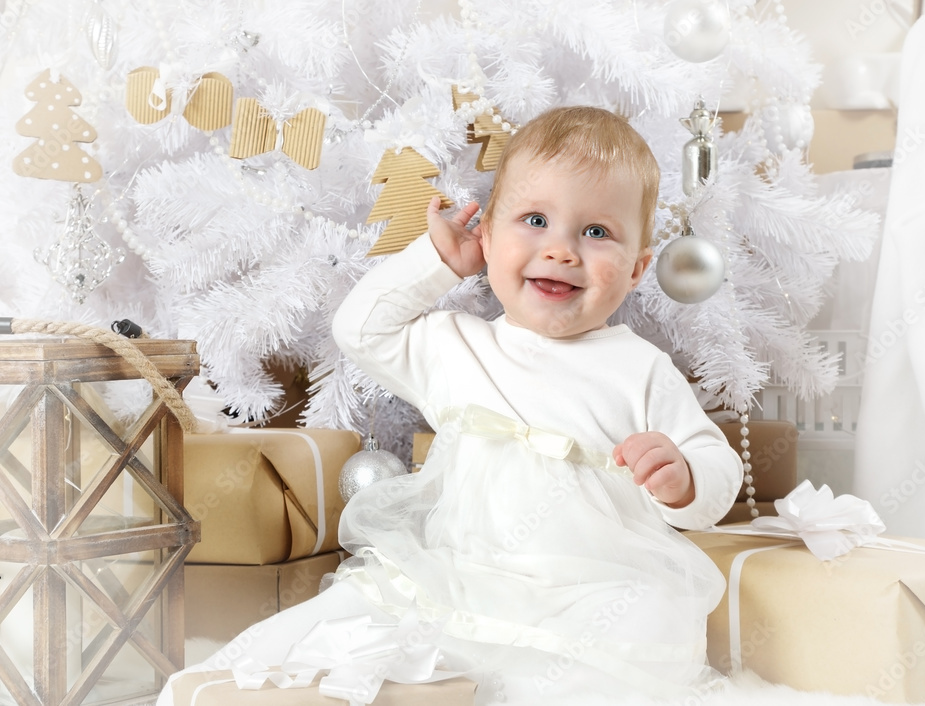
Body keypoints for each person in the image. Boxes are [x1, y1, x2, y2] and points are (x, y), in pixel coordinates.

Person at [157, 106, 742, 706]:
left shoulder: (640, 368)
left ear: (640, 268)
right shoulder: (458, 345)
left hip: (592, 589)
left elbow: (714, 470)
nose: (562, 250)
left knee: (635, 632)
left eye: (596, 233)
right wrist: (436, 265)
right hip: (463, 574)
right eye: (535, 220)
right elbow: (359, 329)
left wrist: (683, 476)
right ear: (486, 236)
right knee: (356, 620)